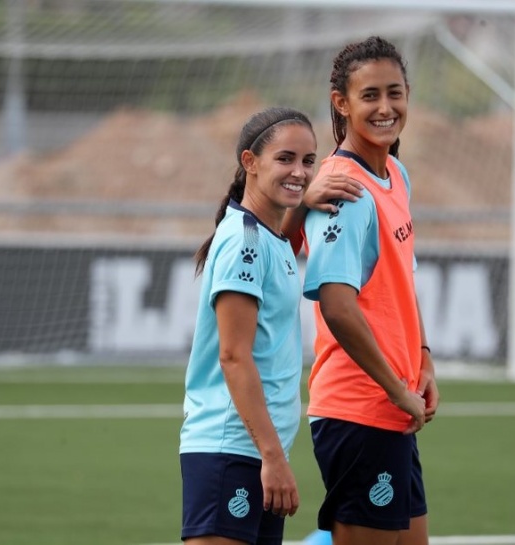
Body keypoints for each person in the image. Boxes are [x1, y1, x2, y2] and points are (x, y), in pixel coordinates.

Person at [179, 106, 361, 545]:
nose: (300, 172)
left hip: (250, 452)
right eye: (285, 159)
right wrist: (272, 457)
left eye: (308, 161)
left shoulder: (269, 236)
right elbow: (234, 356)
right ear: (250, 162)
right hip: (231, 451)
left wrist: (302, 206)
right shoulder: (245, 243)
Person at [299, 36, 440, 545]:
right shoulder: (345, 188)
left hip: (394, 405)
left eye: (395, 93)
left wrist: (422, 359)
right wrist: (394, 387)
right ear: (342, 103)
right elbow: (337, 307)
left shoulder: (395, 173)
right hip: (359, 408)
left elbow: (404, 279)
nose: (386, 108)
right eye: (370, 95)